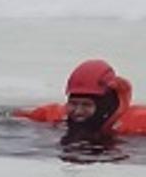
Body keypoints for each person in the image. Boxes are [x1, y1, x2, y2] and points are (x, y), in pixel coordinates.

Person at [16, 59, 146, 142]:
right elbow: (14, 118)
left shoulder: (138, 120)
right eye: (73, 103)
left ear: (105, 106)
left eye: (86, 105)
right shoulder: (56, 114)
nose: (78, 111)